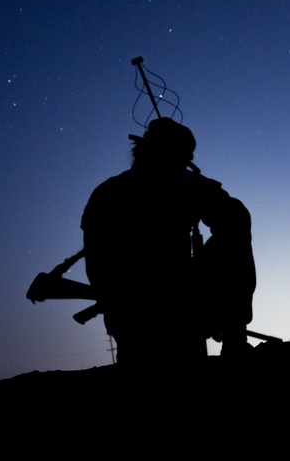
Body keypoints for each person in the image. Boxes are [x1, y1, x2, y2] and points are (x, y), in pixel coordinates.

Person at [81, 118, 256, 367]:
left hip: (186, 304)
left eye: (182, 163)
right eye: (174, 161)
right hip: (135, 316)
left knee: (229, 240)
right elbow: (98, 269)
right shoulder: (109, 196)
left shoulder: (187, 186)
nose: (178, 169)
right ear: (147, 155)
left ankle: (234, 341)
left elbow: (235, 218)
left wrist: (227, 315)